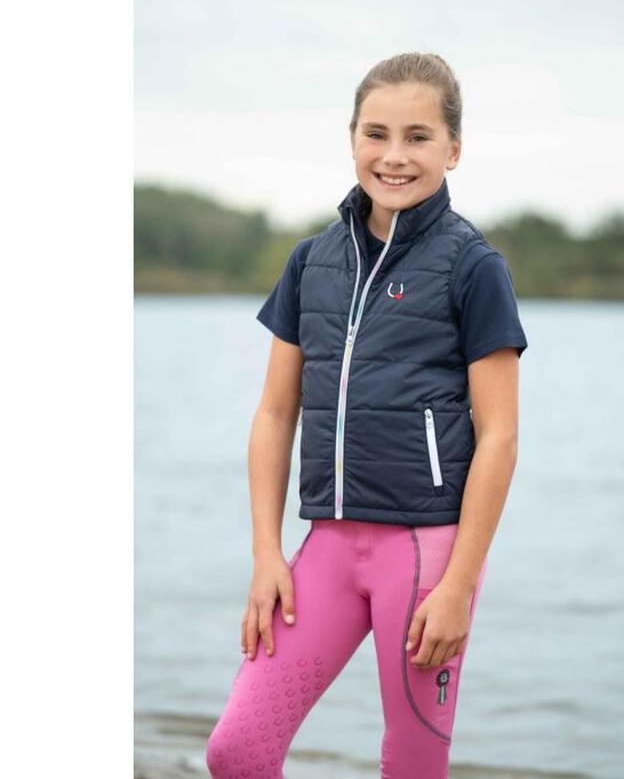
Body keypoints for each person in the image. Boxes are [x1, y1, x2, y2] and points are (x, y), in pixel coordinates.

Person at [205, 52, 528, 779]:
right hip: (326, 545)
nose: (393, 156)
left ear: (453, 149)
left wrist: (458, 587)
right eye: (376, 133)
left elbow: (500, 436)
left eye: (418, 137)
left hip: (426, 555)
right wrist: (266, 555)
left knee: (411, 764)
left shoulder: (473, 267)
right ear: (352, 138)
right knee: (236, 751)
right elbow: (275, 413)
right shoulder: (310, 262)